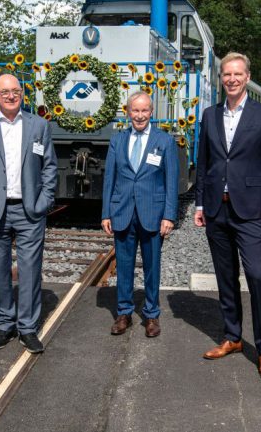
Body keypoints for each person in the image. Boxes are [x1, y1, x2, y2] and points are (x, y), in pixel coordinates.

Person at [194, 52, 261, 380]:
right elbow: (204, 164)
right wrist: (201, 205)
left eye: (237, 74)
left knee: (257, 276)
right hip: (217, 208)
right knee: (226, 276)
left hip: (250, 210)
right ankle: (232, 337)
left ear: (247, 77)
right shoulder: (209, 115)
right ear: (221, 79)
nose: (231, 79)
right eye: (226, 74)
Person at [0, 74, 57, 354]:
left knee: (30, 270)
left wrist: (44, 201)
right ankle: (5, 324)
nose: (9, 96)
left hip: (29, 210)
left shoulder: (38, 125)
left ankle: (27, 328)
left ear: (22, 94)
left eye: (15, 91)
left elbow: (50, 167)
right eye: (4, 92)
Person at [101, 91, 178, 337]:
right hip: (122, 213)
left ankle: (152, 315)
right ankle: (123, 312)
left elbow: (172, 181)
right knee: (123, 266)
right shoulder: (118, 140)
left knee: (152, 267)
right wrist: (106, 213)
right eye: (135, 110)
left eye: (145, 110)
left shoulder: (164, 141)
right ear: (128, 112)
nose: (140, 115)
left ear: (152, 112)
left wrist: (169, 216)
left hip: (153, 214)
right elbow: (109, 179)